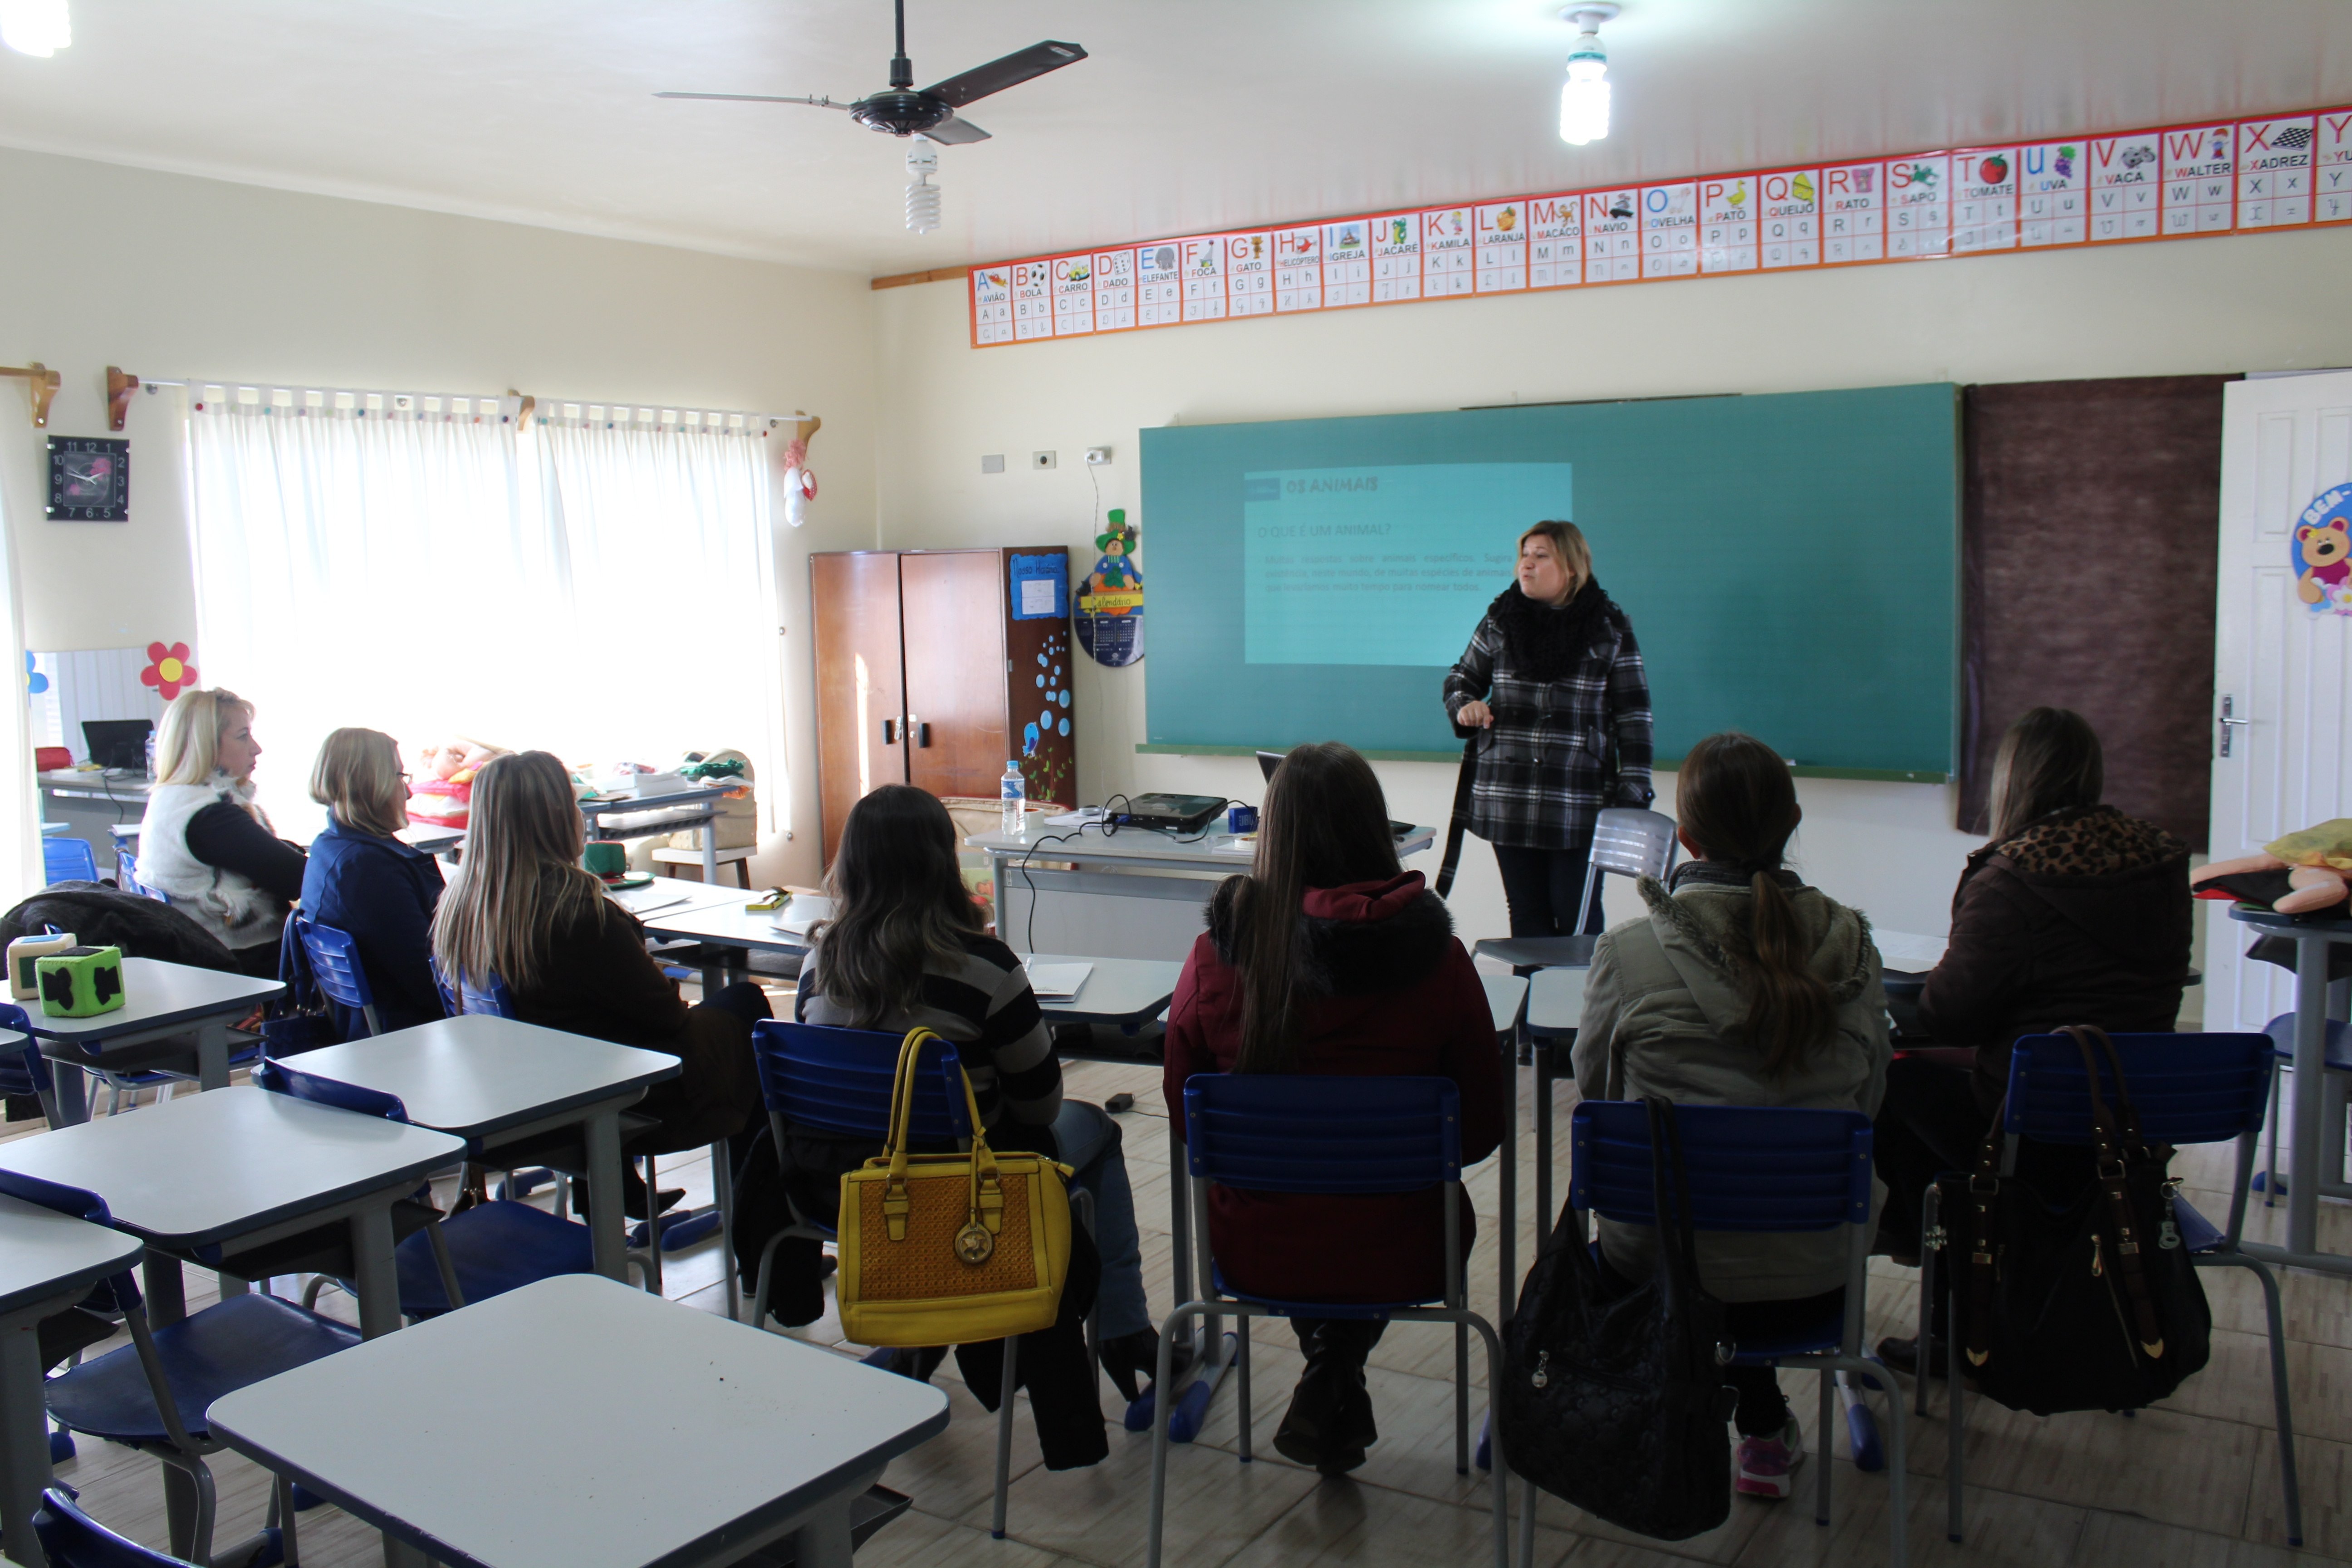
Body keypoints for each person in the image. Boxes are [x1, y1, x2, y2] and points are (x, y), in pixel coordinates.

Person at [765, 784, 1156, 1446]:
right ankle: (1125, 1331)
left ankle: (920, 1344)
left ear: (851, 863)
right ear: (941, 864)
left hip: (848, 1193)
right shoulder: (986, 967)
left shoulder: (816, 964)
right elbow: (1042, 1105)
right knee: (1097, 1130)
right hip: (966, 1198)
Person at [1162, 742, 1504, 1475]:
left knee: (1309, 1215)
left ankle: (1328, 1364)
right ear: (1372, 828)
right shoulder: (1438, 961)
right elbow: (1480, 1130)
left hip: (1257, 1247)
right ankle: (1334, 1366)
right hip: (1410, 1248)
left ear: (1274, 836)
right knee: (1364, 1215)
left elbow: (1189, 1125)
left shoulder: (1215, 958)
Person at [1572, 730, 1889, 1502]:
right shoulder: (1852, 946)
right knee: (1743, 1210)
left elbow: (1597, 1098)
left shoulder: (1626, 952)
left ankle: (1720, 1415)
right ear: (1791, 823)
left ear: (1682, 836)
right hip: (1818, 1277)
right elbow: (1868, 1105)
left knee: (1700, 1207)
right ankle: (1759, 1419)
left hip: (1653, 1270)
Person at [1871, 707, 2190, 1373]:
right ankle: (1996, 1286)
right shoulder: (2162, 866)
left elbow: (1951, 1015)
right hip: (2130, 1131)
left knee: (1891, 1078)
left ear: (2012, 780)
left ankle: (1948, 1302)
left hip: (2027, 1133)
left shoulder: (2012, 882)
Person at [429, 750, 765, 1190]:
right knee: (747, 1009)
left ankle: (609, 1188)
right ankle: (762, 1225)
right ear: (554, 819)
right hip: (621, 1091)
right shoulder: (576, 913)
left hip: (528, 1086)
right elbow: (668, 1016)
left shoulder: (460, 909)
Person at [1442, 519, 1654, 939]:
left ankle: (1588, 1005)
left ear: (1572, 567)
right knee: (1526, 916)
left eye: (1541, 557)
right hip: (1508, 793)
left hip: (1577, 796)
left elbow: (1634, 713)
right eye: (1525, 555)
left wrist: (1632, 792)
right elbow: (1461, 678)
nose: (1527, 565)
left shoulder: (1609, 627)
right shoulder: (1500, 620)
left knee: (1576, 915)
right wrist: (1464, 705)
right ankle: (1530, 1004)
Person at [138, 687, 304, 976]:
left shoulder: (173, 797)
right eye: (243, 736)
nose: (256, 748)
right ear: (207, 745)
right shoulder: (210, 816)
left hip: (198, 952)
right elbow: (300, 880)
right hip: (239, 960)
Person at [300, 727, 446, 1037]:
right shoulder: (368, 870)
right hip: (414, 1035)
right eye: (400, 777)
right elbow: (431, 979)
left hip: (373, 1024)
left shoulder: (329, 847)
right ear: (371, 784)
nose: (407, 793)